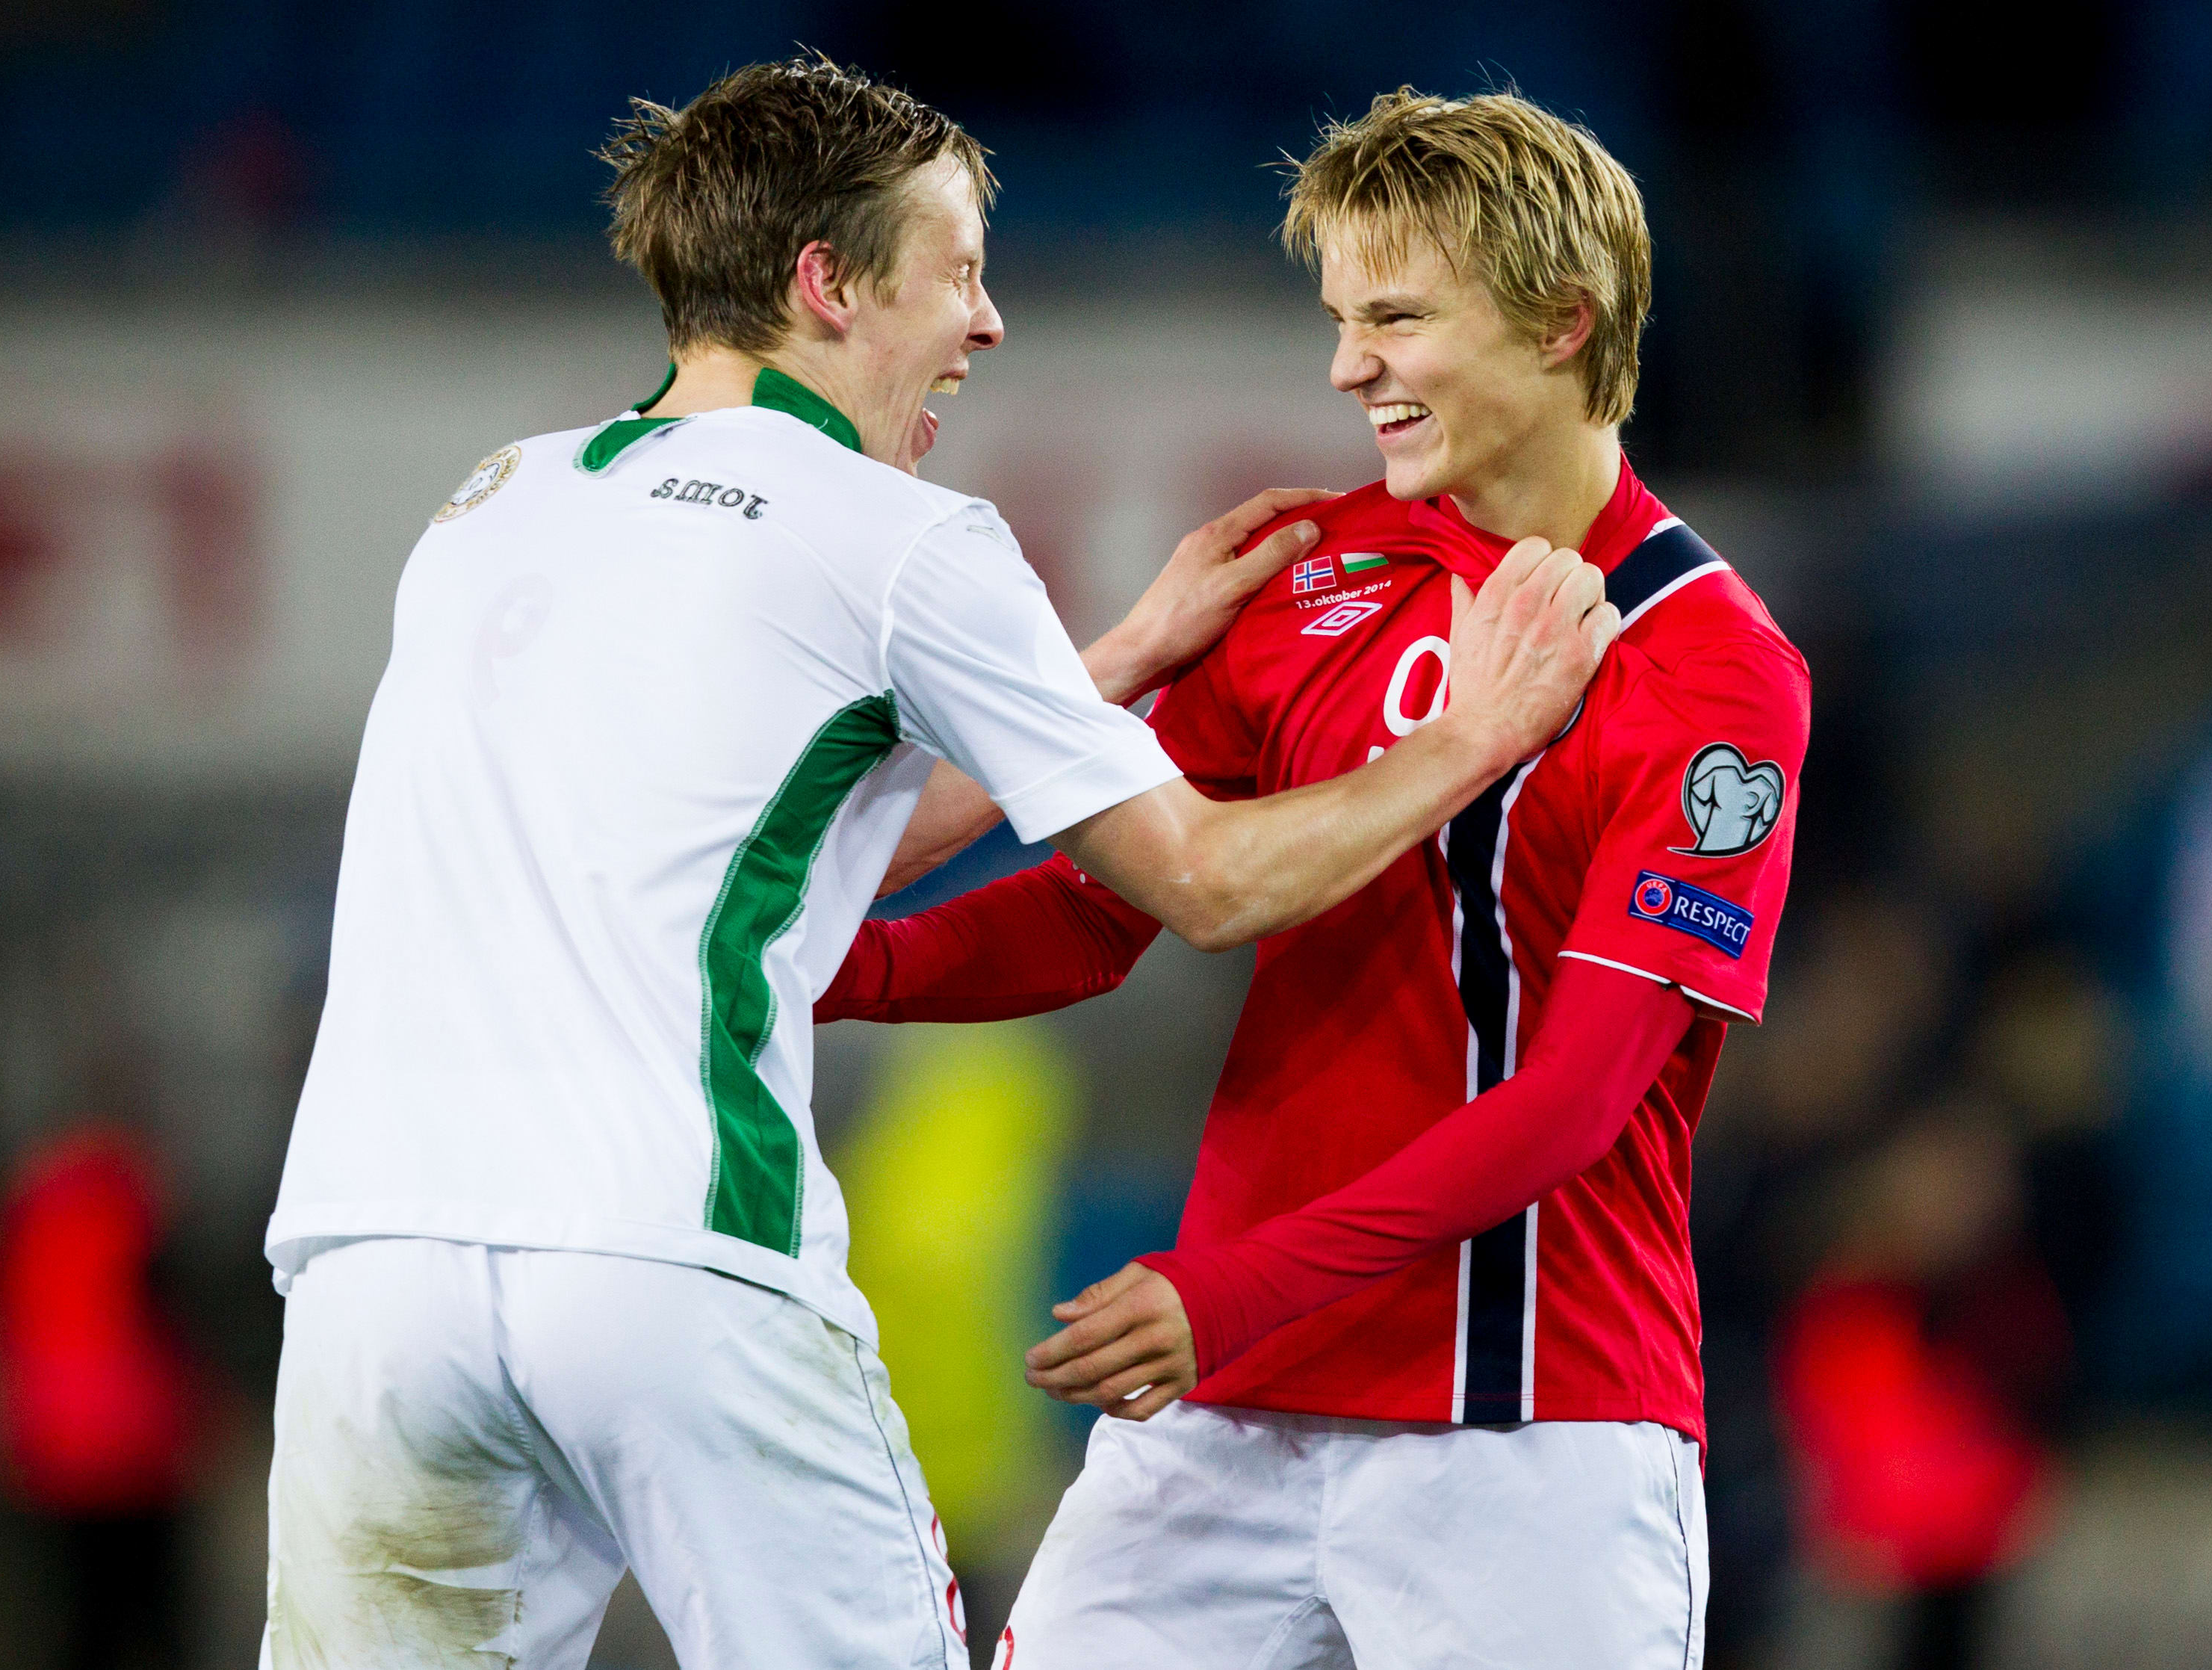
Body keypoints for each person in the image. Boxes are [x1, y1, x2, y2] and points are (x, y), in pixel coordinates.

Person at [257, 59, 1613, 1670]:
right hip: (674, 1251)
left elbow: (762, 851)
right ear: (826, 284)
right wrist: (1473, 735)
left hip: (369, 1273)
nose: (986, 323)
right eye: (956, 270)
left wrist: (1112, 662)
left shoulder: (492, 505)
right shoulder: (901, 536)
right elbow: (1203, 881)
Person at [819, 88, 1812, 1668]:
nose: (1348, 368)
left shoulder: (1712, 671)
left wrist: (1229, 1289)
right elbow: (1102, 909)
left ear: (1561, 323)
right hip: (1218, 1410)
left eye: (1396, 319)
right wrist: (812, 969)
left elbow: (1575, 1100)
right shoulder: (1313, 571)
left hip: (1527, 1422)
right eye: (1341, 321)